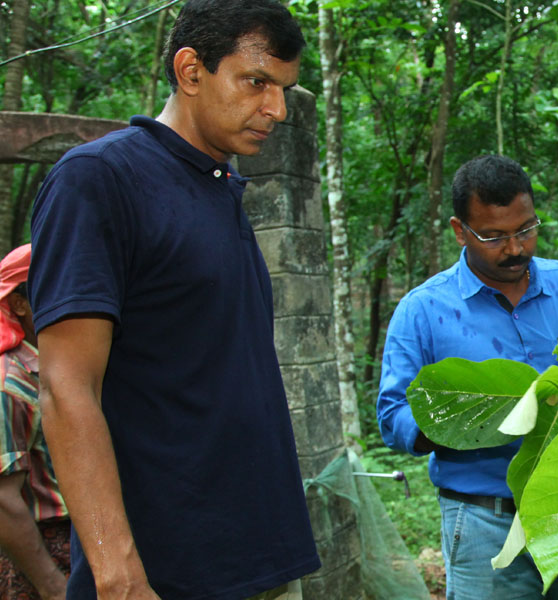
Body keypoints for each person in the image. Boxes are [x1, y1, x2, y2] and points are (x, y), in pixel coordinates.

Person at [28, 1, 320, 599]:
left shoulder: (220, 187)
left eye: (283, 89)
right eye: (257, 81)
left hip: (259, 560)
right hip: (164, 573)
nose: (277, 109)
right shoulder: (100, 180)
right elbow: (65, 387)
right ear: (190, 70)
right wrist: (117, 576)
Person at [376, 155, 558, 599]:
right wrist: (466, 423)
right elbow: (393, 418)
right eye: (493, 236)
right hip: (484, 518)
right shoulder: (422, 310)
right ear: (459, 230)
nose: (515, 248)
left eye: (526, 229)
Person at [0, 244, 70, 600]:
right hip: (46, 553)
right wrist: (53, 585)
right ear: (18, 303)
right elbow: (2, 500)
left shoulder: (58, 362)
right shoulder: (8, 382)